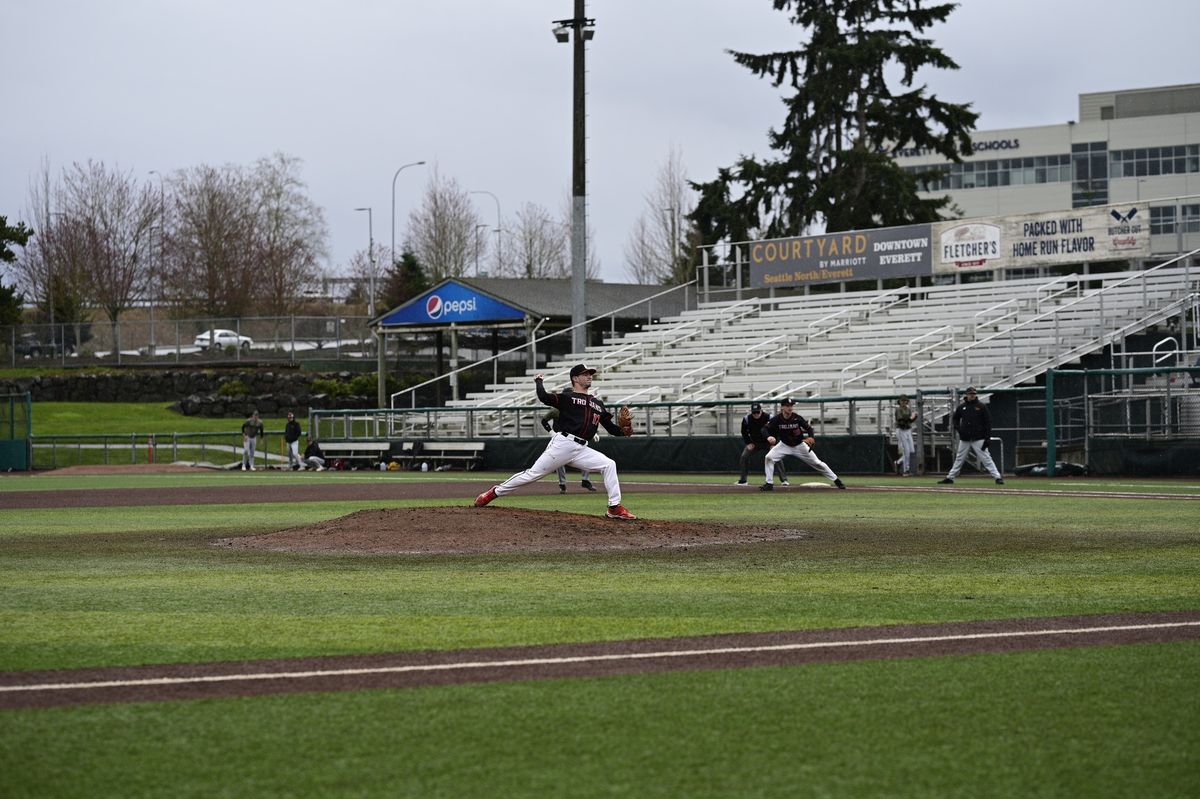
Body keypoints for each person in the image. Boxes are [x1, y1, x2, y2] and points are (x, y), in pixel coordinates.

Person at [475, 363, 637, 520]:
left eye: (590, 374)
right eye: (585, 374)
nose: (589, 376)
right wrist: (539, 382)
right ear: (575, 378)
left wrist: (624, 431)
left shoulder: (597, 404)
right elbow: (544, 397)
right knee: (532, 475)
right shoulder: (568, 397)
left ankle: (614, 507)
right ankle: (494, 492)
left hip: (582, 449)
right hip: (563, 444)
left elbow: (611, 429)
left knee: (609, 464)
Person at [760, 398, 845, 490]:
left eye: (791, 406)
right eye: (788, 406)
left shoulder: (797, 418)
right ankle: (769, 483)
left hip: (799, 445)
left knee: (817, 463)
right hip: (784, 445)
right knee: (769, 457)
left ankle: (837, 480)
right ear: (782, 407)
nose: (790, 408)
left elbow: (809, 428)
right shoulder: (777, 419)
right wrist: (768, 437)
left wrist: (811, 437)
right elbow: (764, 429)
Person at [938, 387, 1004, 485]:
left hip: (978, 437)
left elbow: (988, 423)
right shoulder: (962, 407)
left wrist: (987, 438)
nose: (972, 395)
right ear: (966, 395)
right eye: (970, 394)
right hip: (965, 438)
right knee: (959, 458)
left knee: (986, 458)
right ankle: (950, 477)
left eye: (973, 393)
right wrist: (959, 429)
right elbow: (955, 419)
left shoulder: (981, 406)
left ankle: (997, 477)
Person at [541, 408, 595, 493]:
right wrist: (551, 432)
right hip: (560, 439)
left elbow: (581, 422)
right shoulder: (556, 410)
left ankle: (585, 480)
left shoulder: (575, 408)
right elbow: (544, 421)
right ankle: (562, 484)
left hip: (573, 437)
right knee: (558, 461)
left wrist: (593, 433)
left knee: (584, 454)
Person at [736, 402, 787, 486]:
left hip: (768, 443)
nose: (756, 414)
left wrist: (774, 444)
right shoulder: (747, 419)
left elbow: (777, 431)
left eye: (757, 412)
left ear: (761, 411)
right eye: (754, 412)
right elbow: (744, 432)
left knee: (777, 457)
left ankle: (784, 480)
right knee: (744, 456)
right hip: (755, 443)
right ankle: (743, 480)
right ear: (751, 412)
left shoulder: (769, 417)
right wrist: (748, 442)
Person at [893, 394, 917, 476]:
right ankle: (906, 470)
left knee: (911, 450)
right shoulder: (898, 409)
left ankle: (898, 462)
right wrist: (911, 418)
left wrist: (914, 417)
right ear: (899, 401)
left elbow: (910, 421)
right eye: (902, 400)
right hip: (901, 429)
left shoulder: (908, 409)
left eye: (905, 400)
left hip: (908, 429)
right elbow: (901, 420)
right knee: (906, 450)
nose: (903, 402)